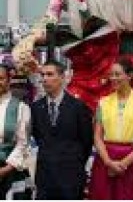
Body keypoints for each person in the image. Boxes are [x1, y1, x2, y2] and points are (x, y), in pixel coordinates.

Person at [88, 57, 133, 200]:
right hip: (105, 160)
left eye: (117, 74)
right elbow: (97, 136)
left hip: (132, 160)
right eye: (111, 75)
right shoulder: (103, 103)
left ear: (129, 76)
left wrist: (123, 164)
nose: (113, 78)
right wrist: (108, 162)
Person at [31, 60, 93, 199]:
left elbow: (87, 141)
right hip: (45, 178)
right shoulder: (36, 108)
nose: (45, 79)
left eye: (50, 74)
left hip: (71, 177)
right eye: (43, 75)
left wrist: (72, 162)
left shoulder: (78, 107)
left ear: (62, 77)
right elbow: (38, 136)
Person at [0, 65, 31, 199]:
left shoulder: (20, 107)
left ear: (9, 80)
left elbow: (23, 143)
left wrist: (6, 169)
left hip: (9, 168)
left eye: (0, 78)